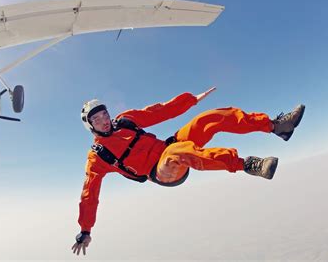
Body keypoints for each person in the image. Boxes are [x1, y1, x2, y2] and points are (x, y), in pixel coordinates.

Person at [71, 87, 305, 256]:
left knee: (209, 119)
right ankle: (247, 164)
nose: (104, 120)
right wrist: (85, 229)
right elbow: (89, 194)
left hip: (168, 146)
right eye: (97, 119)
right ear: (90, 126)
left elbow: (158, 112)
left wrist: (191, 100)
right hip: (162, 171)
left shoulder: (125, 120)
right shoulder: (97, 156)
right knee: (180, 152)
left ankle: (277, 126)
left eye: (104, 114)